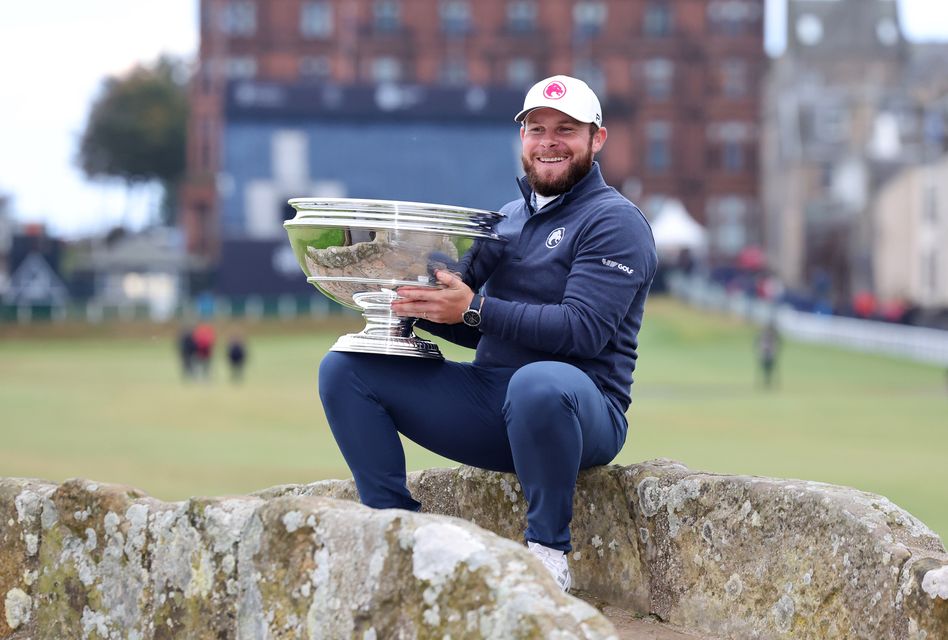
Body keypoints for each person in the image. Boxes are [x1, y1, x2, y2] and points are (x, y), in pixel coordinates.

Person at [317, 75, 657, 591]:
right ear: (522, 138)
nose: (549, 141)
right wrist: (420, 307)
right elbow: (483, 331)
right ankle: (397, 534)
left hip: (581, 413)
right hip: (491, 402)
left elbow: (583, 331)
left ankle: (548, 555)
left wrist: (473, 309)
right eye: (537, 128)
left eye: (566, 129)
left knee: (538, 384)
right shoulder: (506, 219)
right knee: (346, 368)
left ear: (597, 139)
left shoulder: (614, 222)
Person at [756, 321, 781, 389]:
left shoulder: (773, 335)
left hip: (770, 355)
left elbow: (777, 344)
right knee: (765, 369)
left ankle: (768, 382)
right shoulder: (764, 335)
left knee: (770, 370)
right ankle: (765, 382)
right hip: (765, 355)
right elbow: (759, 344)